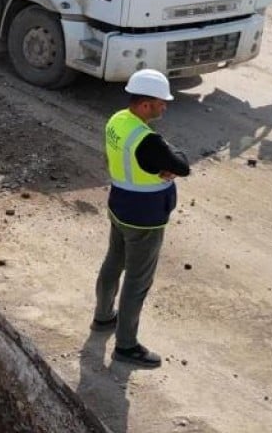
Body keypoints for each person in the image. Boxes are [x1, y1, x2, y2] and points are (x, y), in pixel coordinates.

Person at [91, 69, 190, 368]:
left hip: (119, 206)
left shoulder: (117, 121)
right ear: (145, 104)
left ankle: (104, 316)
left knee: (113, 262)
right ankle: (126, 346)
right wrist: (166, 160)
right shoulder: (149, 141)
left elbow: (111, 157)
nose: (165, 106)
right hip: (145, 219)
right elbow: (182, 165)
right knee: (137, 280)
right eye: (161, 102)